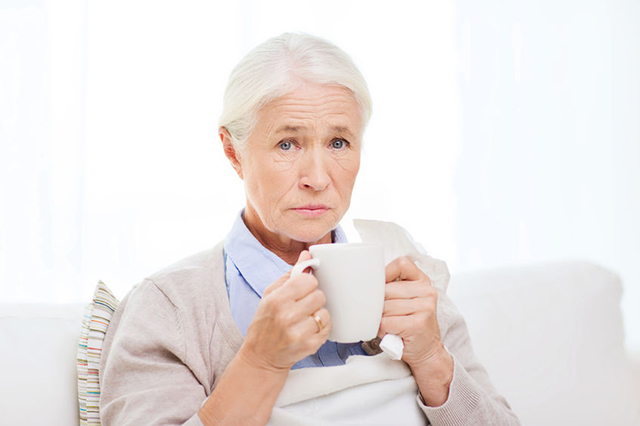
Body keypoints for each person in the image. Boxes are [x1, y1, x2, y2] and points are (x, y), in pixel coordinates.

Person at [99, 33, 520, 425]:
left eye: (339, 143)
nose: (317, 178)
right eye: (288, 144)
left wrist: (431, 356)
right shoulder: (169, 309)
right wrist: (260, 362)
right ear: (233, 153)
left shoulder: (410, 283)